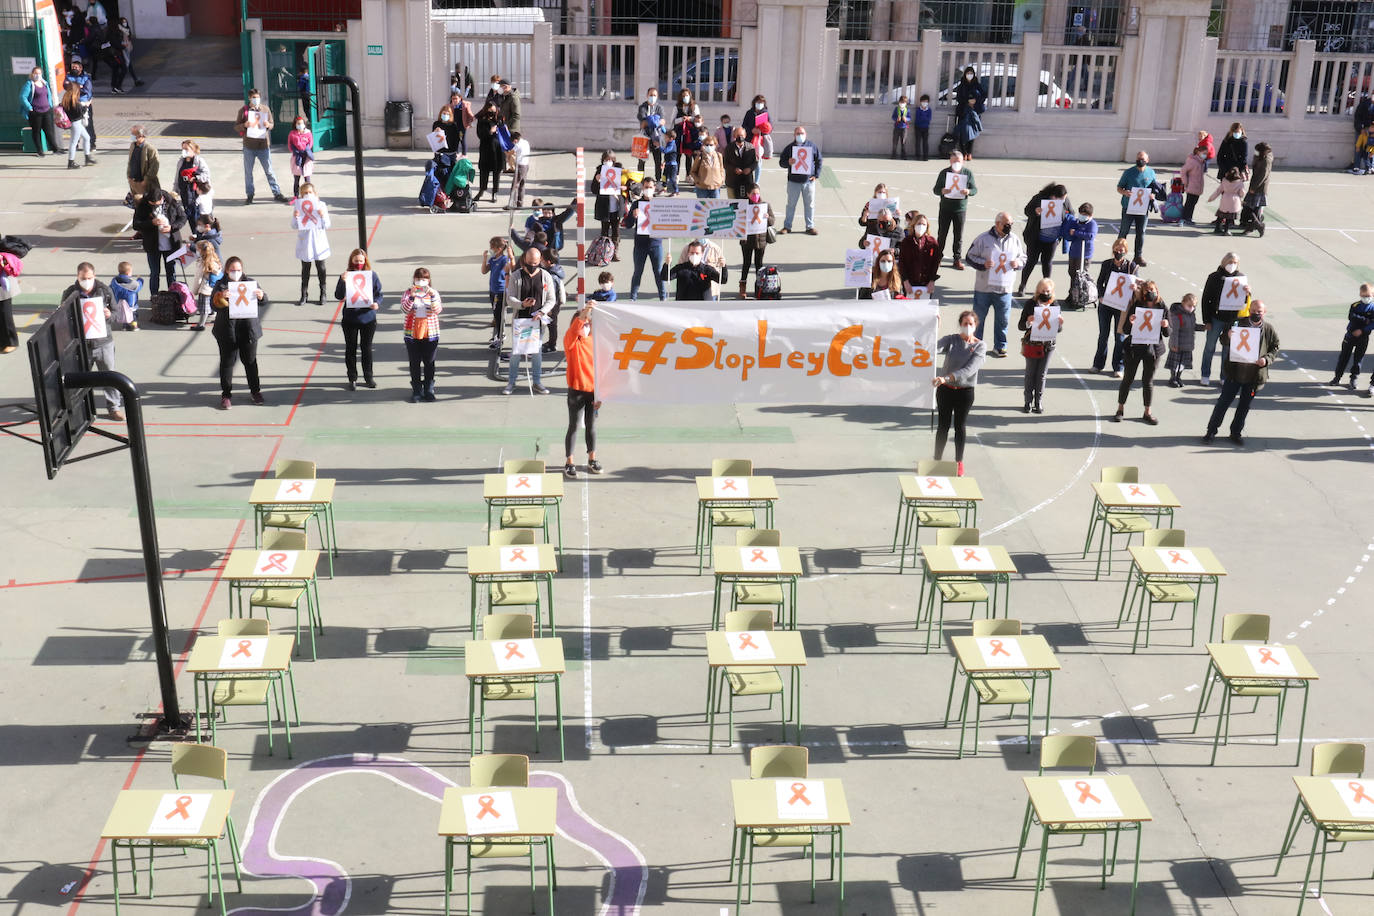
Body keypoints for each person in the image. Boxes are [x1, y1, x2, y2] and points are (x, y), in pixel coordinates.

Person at [1203, 300, 1279, 445]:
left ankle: (1235, 433)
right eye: (1253, 311)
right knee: (1223, 403)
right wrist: (1228, 336)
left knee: (1244, 406)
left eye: (1259, 312)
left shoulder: (1268, 329)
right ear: (1249, 310)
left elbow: (1275, 347)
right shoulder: (1237, 324)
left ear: (1264, 313)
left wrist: (1266, 359)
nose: (1256, 314)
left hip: (1254, 376)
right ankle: (1211, 431)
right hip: (1234, 373)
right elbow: (1223, 340)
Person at [63, 263, 121, 419]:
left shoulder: (105, 291)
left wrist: (110, 315)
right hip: (81, 345)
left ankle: (114, 408)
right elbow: (63, 316)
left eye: (89, 278)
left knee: (109, 376)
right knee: (81, 378)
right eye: (83, 278)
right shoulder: (70, 293)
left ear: (94, 276)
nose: (86, 281)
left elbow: (117, 313)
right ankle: (81, 409)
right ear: (77, 276)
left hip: (103, 343)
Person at [964, 211, 1025, 358]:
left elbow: (1023, 257)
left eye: (1011, 224)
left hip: (1005, 288)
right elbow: (970, 256)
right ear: (997, 224)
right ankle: (976, 346)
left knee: (1003, 320)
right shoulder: (983, 239)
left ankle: (1000, 346)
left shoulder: (1015, 240)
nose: (1009, 227)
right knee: (978, 319)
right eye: (1006, 224)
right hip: (984, 288)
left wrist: (1018, 263)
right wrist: (983, 264)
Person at [209, 257, 268, 409]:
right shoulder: (220, 285)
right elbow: (213, 306)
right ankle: (226, 394)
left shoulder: (250, 283)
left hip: (248, 330)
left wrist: (262, 296)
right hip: (227, 331)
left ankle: (255, 392)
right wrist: (221, 297)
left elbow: (264, 300)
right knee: (227, 363)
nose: (236, 272)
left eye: (238, 270)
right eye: (233, 270)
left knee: (250, 362)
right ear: (227, 271)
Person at [932, 310, 985, 477]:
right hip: (945, 391)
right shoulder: (952, 340)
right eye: (964, 323)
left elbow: (969, 370)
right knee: (943, 427)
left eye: (971, 323)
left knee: (960, 427)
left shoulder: (980, 346)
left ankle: (958, 462)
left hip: (965, 392)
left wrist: (945, 378)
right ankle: (937, 460)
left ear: (976, 325)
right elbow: (934, 347)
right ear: (960, 325)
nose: (967, 326)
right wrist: (935, 327)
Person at [1110, 279, 1168, 425]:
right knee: (1128, 379)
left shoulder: (1162, 306)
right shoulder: (1137, 305)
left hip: (1153, 349)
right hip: (1135, 348)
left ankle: (1147, 412)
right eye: (1147, 290)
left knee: (1148, 381)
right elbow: (1126, 330)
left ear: (1157, 291)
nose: (1150, 293)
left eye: (1153, 290)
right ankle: (1120, 409)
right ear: (1142, 293)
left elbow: (1168, 333)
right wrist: (1131, 321)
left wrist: (1166, 325)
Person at [503, 247, 555, 394]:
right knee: (516, 353)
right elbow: (510, 298)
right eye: (530, 262)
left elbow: (551, 299)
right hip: (521, 321)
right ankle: (511, 382)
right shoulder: (516, 276)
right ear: (525, 259)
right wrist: (522, 304)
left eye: (536, 262)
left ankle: (537, 382)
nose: (533, 265)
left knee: (537, 353)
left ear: (540, 261)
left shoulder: (546, 276)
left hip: (537, 322)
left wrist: (542, 311)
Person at [334, 248, 383, 390]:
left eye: (361, 261)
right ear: (351, 261)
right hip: (350, 319)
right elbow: (338, 295)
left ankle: (368, 377)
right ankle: (352, 378)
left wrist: (377, 303)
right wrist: (343, 282)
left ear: (365, 261)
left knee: (366, 349)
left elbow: (379, 294)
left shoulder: (372, 275)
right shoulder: (346, 275)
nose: (358, 263)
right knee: (351, 349)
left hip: (368, 318)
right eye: (356, 261)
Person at [563, 302, 602, 478]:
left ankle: (592, 458)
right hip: (577, 390)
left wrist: (602, 394)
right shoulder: (571, 341)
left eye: (588, 324)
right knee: (574, 425)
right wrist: (587, 311)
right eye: (584, 324)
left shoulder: (594, 342)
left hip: (593, 391)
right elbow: (578, 324)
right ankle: (569, 461)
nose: (586, 326)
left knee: (591, 426)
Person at [1199, 251, 1248, 385]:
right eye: (1230, 262)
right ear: (1224, 262)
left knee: (1227, 350)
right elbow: (1206, 300)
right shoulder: (1214, 277)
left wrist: (1247, 293)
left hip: (1233, 320)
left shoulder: (1241, 278)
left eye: (1235, 263)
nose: (1232, 265)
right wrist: (1207, 320)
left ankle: (1224, 376)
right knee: (1210, 347)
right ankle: (1205, 374)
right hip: (1216, 318)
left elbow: (1243, 303)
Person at [130, 181, 185, 295]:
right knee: (154, 273)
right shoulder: (143, 205)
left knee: (171, 272)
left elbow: (182, 218)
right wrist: (151, 223)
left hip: (171, 245)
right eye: (151, 203)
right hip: (152, 245)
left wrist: (171, 227)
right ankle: (154, 296)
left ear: (162, 199)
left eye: (156, 203)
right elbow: (136, 224)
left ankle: (172, 296)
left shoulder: (171, 202)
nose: (154, 205)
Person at [1017, 278, 1063, 414]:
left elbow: (1058, 330)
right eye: (1043, 290)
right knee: (1030, 373)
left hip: (1048, 344)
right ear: (1038, 291)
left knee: (1042, 374)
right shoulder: (1030, 304)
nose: (1045, 293)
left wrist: (1059, 323)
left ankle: (1038, 401)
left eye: (1048, 291)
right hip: (1032, 343)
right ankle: (1027, 401)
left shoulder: (1054, 304)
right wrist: (1028, 322)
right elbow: (1020, 326)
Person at [1094, 239, 1138, 375]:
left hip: (1122, 307)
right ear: (1113, 249)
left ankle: (1118, 367)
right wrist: (1101, 296)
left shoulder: (1132, 266)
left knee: (1120, 337)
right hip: (1106, 304)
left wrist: (1135, 287)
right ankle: (1098, 365)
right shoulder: (1107, 264)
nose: (1119, 252)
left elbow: (1138, 285)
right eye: (1117, 249)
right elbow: (1100, 282)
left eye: (1122, 250)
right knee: (1103, 335)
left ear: (1126, 251)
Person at [235, 89, 287, 204]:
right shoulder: (243, 111)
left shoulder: (265, 109)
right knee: (248, 172)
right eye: (254, 97)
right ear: (249, 98)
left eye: (257, 97)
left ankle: (276, 192)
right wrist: (244, 125)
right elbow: (236, 126)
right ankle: (250, 194)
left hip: (263, 145)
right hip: (249, 146)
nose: (256, 99)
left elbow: (272, 124)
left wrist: (269, 125)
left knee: (269, 170)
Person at [1018, 183, 1071, 296]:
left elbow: (1071, 213)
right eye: (1061, 199)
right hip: (1036, 237)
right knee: (1031, 261)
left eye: (1064, 199)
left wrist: (1066, 219)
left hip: (1052, 239)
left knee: (1047, 263)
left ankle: (1047, 288)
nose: (1063, 201)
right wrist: (1036, 212)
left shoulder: (1065, 201)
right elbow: (1027, 210)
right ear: (1053, 196)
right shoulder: (1039, 198)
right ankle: (1023, 285)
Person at [401, 267, 443, 403]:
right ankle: (417, 390)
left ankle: (429, 389)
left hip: (430, 332)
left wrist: (431, 296)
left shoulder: (434, 293)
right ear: (414, 280)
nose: (421, 282)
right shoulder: (408, 293)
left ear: (429, 280)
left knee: (429, 362)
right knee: (414, 362)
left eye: (424, 279)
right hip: (412, 333)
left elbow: (437, 310)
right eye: (418, 279)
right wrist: (412, 296)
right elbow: (404, 309)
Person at [933, 151, 977, 270]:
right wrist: (942, 191)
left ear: (963, 161)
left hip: (960, 209)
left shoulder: (967, 173)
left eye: (959, 161)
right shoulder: (944, 173)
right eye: (954, 160)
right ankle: (938, 258)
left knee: (958, 236)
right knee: (942, 234)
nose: (957, 163)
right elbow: (935, 189)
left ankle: (957, 259)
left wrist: (968, 191)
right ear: (950, 161)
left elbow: (974, 189)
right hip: (945, 208)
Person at [291, 182, 330, 306]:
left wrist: (322, 216)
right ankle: (304, 294)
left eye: (310, 192)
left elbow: (327, 225)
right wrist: (295, 217)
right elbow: (293, 225)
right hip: (305, 241)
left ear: (315, 193)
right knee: (305, 269)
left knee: (321, 268)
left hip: (318, 241)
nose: (308, 195)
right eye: (305, 193)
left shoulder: (321, 205)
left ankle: (323, 292)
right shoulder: (299, 207)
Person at [1329, 284, 1374, 389]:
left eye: (1368, 295)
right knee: (1343, 357)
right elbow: (1351, 317)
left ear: (1372, 295)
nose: (1365, 298)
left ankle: (1354, 378)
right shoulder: (1355, 306)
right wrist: (1366, 320)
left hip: (1363, 337)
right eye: (1363, 295)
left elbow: (1372, 324)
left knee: (1358, 359)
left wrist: (1362, 330)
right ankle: (1337, 377)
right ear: (1360, 294)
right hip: (1350, 335)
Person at [627, 181, 666, 301]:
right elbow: (628, 224)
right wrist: (633, 216)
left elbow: (667, 221)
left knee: (659, 273)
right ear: (642, 188)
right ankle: (632, 298)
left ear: (654, 188)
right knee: (638, 272)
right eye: (646, 187)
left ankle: (663, 298)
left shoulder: (660, 204)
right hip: (640, 244)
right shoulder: (636, 204)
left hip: (656, 244)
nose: (648, 189)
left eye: (650, 187)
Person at [778, 126, 821, 235]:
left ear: (805, 134)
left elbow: (819, 160)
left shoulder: (812, 146)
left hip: (808, 181)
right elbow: (781, 162)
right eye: (797, 133)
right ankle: (787, 227)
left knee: (809, 205)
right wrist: (788, 162)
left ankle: (810, 227)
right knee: (791, 205)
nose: (800, 135)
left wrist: (816, 174)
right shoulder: (789, 147)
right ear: (794, 135)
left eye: (801, 133)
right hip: (793, 182)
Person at [1115, 150, 1155, 266]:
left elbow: (1154, 188)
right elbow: (1119, 187)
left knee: (1141, 232)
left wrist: (1153, 196)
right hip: (1128, 207)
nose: (1140, 161)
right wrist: (1125, 192)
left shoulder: (1151, 173)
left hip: (1143, 209)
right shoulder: (1128, 173)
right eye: (1138, 158)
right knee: (1123, 231)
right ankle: (1118, 253)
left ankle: (1138, 256)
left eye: (1142, 159)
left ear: (1147, 160)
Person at [738, 184, 774, 298]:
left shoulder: (765, 205)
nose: (756, 196)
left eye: (757, 193)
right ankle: (742, 286)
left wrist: (768, 218)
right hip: (747, 241)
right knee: (746, 264)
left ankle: (759, 287)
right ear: (748, 194)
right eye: (753, 193)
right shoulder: (743, 206)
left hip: (761, 240)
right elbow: (737, 221)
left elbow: (772, 221)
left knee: (759, 265)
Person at [20, 66, 62, 157]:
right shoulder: (29, 84)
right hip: (35, 112)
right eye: (35, 73)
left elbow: (49, 95)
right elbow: (23, 97)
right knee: (36, 131)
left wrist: (50, 106)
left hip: (46, 111)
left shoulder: (44, 83)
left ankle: (55, 149)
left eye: (39, 73)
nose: (37, 75)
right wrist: (30, 108)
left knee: (49, 131)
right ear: (32, 74)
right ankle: (40, 151)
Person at [898, 211, 939, 297]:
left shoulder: (932, 242)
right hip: (910, 282)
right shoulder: (906, 242)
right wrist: (905, 282)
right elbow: (902, 263)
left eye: (924, 224)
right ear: (913, 225)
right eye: (919, 223)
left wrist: (932, 281)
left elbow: (935, 263)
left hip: (926, 283)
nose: (921, 226)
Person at [592, 152, 625, 259]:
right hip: (604, 207)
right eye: (606, 159)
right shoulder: (599, 171)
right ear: (603, 160)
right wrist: (597, 181)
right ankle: (604, 252)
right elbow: (593, 189)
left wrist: (624, 188)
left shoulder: (619, 171)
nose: (608, 161)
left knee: (616, 231)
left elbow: (627, 184)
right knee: (604, 232)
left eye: (610, 159)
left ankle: (615, 252)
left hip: (616, 207)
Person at [482, 236, 512, 348]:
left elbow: (510, 267)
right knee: (495, 314)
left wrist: (510, 255)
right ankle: (499, 334)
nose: (491, 249)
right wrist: (485, 259)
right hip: (492, 290)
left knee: (499, 314)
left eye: (492, 247)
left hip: (500, 291)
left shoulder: (504, 260)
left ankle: (500, 336)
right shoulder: (493, 259)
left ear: (499, 248)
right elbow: (484, 271)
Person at [174, 140, 211, 225]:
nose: (184, 151)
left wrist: (196, 178)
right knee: (189, 214)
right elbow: (177, 177)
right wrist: (175, 190)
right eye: (183, 149)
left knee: (198, 214)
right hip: (184, 191)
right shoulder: (181, 161)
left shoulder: (199, 161)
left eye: (186, 149)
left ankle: (201, 233)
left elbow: (207, 175)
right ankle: (194, 233)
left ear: (193, 149)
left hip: (195, 192)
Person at [1240, 142, 1272, 237]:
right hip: (1254, 186)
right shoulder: (1259, 158)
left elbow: (1262, 176)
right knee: (1249, 208)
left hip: (1258, 189)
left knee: (1250, 208)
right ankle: (1253, 225)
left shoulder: (1266, 161)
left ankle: (1257, 225)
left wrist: (1253, 188)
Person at [1165, 293, 1198, 387]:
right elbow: (1174, 331)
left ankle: (1178, 377)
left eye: (1193, 306)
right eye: (1189, 305)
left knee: (1182, 363)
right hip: (1178, 345)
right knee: (1175, 364)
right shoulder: (1177, 315)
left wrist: (1203, 328)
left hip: (1187, 344)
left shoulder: (1191, 315)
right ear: (1183, 303)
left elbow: (1192, 327)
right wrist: (1174, 345)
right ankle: (1173, 378)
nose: (1191, 308)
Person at [59, 79, 92, 169]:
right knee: (73, 143)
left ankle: (87, 157)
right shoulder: (74, 102)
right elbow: (80, 114)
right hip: (76, 123)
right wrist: (86, 106)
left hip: (74, 122)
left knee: (87, 137)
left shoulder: (67, 99)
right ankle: (71, 162)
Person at [475, 100, 503, 202]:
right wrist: (489, 132)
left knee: (496, 172)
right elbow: (479, 134)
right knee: (484, 171)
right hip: (486, 148)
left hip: (498, 149)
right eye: (489, 108)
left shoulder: (499, 118)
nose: (491, 110)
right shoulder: (481, 119)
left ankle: (494, 192)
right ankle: (482, 190)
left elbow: (504, 132)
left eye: (493, 108)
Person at [65, 57, 95, 152]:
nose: (74, 68)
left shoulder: (86, 77)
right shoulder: (68, 76)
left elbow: (87, 90)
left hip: (85, 103)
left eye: (76, 67)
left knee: (88, 124)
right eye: (73, 67)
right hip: (74, 103)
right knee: (75, 124)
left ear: (81, 68)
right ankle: (76, 143)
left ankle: (92, 144)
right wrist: (79, 87)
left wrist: (74, 87)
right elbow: (66, 86)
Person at [189, 242, 220, 332]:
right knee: (214, 303)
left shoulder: (203, 263)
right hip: (213, 286)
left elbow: (198, 278)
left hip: (205, 288)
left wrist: (194, 291)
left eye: (198, 249)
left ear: (202, 251)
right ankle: (214, 315)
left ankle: (201, 324)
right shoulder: (215, 259)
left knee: (204, 308)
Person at [1061, 202, 1096, 281]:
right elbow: (1070, 236)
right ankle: (1072, 291)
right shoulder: (1076, 222)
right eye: (1080, 214)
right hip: (1074, 252)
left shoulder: (1092, 224)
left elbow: (1090, 236)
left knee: (1080, 275)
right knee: (1071, 272)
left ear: (1090, 215)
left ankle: (1080, 291)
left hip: (1085, 254)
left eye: (1084, 215)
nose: (1081, 216)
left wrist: (1076, 232)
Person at [636, 88, 665, 180]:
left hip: (656, 137)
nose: (652, 97)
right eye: (651, 95)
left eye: (654, 95)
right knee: (642, 160)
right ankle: (640, 179)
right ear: (647, 96)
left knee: (657, 159)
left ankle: (658, 179)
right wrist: (656, 121)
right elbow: (643, 122)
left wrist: (652, 121)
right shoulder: (642, 107)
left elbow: (663, 121)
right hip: (644, 137)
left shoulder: (659, 107)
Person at [540, 248, 566, 350]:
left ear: (548, 262)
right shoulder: (557, 269)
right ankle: (551, 342)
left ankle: (552, 345)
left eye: (542, 260)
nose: (540, 261)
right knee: (552, 324)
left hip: (552, 305)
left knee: (551, 325)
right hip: (554, 304)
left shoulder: (551, 276)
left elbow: (552, 293)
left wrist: (550, 308)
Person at [1208, 167, 1245, 235]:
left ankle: (1217, 228)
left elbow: (1218, 191)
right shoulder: (1240, 182)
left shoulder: (1224, 180)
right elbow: (1241, 193)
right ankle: (1226, 230)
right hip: (1234, 200)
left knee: (1221, 214)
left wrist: (1211, 198)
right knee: (1229, 217)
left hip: (1225, 198)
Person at [723, 128, 758, 199]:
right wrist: (734, 169)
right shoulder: (729, 148)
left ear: (745, 135)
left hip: (747, 181)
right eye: (738, 135)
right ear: (734, 135)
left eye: (741, 135)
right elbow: (725, 163)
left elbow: (755, 162)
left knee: (747, 203)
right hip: (732, 181)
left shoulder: (751, 147)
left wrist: (750, 168)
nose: (740, 137)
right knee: (733, 204)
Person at [126, 124, 158, 199]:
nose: (132, 136)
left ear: (141, 135)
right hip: (133, 180)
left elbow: (154, 167)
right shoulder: (132, 145)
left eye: (134, 134)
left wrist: (146, 180)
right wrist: (129, 176)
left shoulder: (150, 149)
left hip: (144, 183)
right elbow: (130, 162)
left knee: (145, 202)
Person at [109, 260, 142, 331]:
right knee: (133, 314)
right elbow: (139, 286)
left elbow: (110, 288)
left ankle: (125, 326)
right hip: (130, 304)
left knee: (124, 314)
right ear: (128, 272)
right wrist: (140, 279)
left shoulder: (114, 281)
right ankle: (134, 326)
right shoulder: (132, 283)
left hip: (119, 302)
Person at [1178, 145, 1207, 225]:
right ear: (1198, 152)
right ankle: (1185, 217)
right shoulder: (1193, 161)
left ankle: (1189, 217)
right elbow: (1183, 171)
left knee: (1193, 203)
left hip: (1197, 186)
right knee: (1189, 203)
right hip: (1192, 185)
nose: (1205, 155)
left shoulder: (1201, 162)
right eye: (1204, 153)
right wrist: (1185, 182)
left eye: (1206, 153)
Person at [497, 79, 522, 172]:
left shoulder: (513, 97)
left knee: (512, 149)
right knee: (508, 150)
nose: (500, 88)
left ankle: (515, 169)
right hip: (505, 127)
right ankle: (512, 168)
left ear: (506, 87)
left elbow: (517, 115)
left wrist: (509, 126)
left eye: (501, 86)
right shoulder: (505, 97)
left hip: (511, 128)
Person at [287, 115, 314, 198]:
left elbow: (310, 143)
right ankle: (296, 196)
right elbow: (290, 145)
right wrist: (295, 151)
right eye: (298, 123)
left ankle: (308, 195)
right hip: (297, 157)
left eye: (302, 123)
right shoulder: (292, 134)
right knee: (296, 179)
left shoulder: (308, 133)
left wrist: (306, 150)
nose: (300, 125)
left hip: (306, 157)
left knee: (307, 178)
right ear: (295, 124)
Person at [743, 94, 773, 167]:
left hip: (760, 140)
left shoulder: (766, 113)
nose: (759, 104)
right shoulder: (749, 113)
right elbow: (744, 125)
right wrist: (751, 130)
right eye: (758, 102)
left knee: (758, 162)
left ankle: (757, 178)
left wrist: (761, 131)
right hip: (749, 139)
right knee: (748, 160)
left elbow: (770, 128)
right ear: (754, 103)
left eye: (761, 103)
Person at [507, 130, 531, 208]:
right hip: (526, 165)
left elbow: (511, 153)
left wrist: (506, 151)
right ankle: (519, 204)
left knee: (514, 185)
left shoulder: (518, 145)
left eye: (513, 141)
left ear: (515, 140)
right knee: (522, 185)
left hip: (520, 166)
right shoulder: (526, 142)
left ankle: (511, 204)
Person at [913, 94, 933, 161]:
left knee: (925, 142)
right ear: (921, 102)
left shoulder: (929, 110)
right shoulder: (918, 110)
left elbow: (929, 119)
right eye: (923, 101)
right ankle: (917, 156)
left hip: (925, 128)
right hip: (918, 127)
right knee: (917, 142)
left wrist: (923, 115)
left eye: (926, 102)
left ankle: (925, 156)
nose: (924, 103)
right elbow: (917, 119)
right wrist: (924, 116)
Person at [891, 94, 911, 159]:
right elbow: (893, 117)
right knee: (895, 141)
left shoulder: (907, 110)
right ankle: (894, 154)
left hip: (904, 128)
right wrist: (897, 119)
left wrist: (906, 119)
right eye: (901, 102)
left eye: (904, 102)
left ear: (906, 103)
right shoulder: (896, 109)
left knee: (903, 142)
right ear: (899, 102)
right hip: (897, 127)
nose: (902, 103)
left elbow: (909, 118)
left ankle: (903, 155)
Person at [660, 130, 680, 195]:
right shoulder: (669, 143)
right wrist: (664, 162)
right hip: (667, 164)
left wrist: (659, 146)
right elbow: (667, 155)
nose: (665, 139)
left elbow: (665, 151)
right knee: (664, 177)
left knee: (672, 179)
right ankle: (664, 188)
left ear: (671, 138)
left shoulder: (672, 145)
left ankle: (676, 190)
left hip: (672, 166)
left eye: (666, 137)